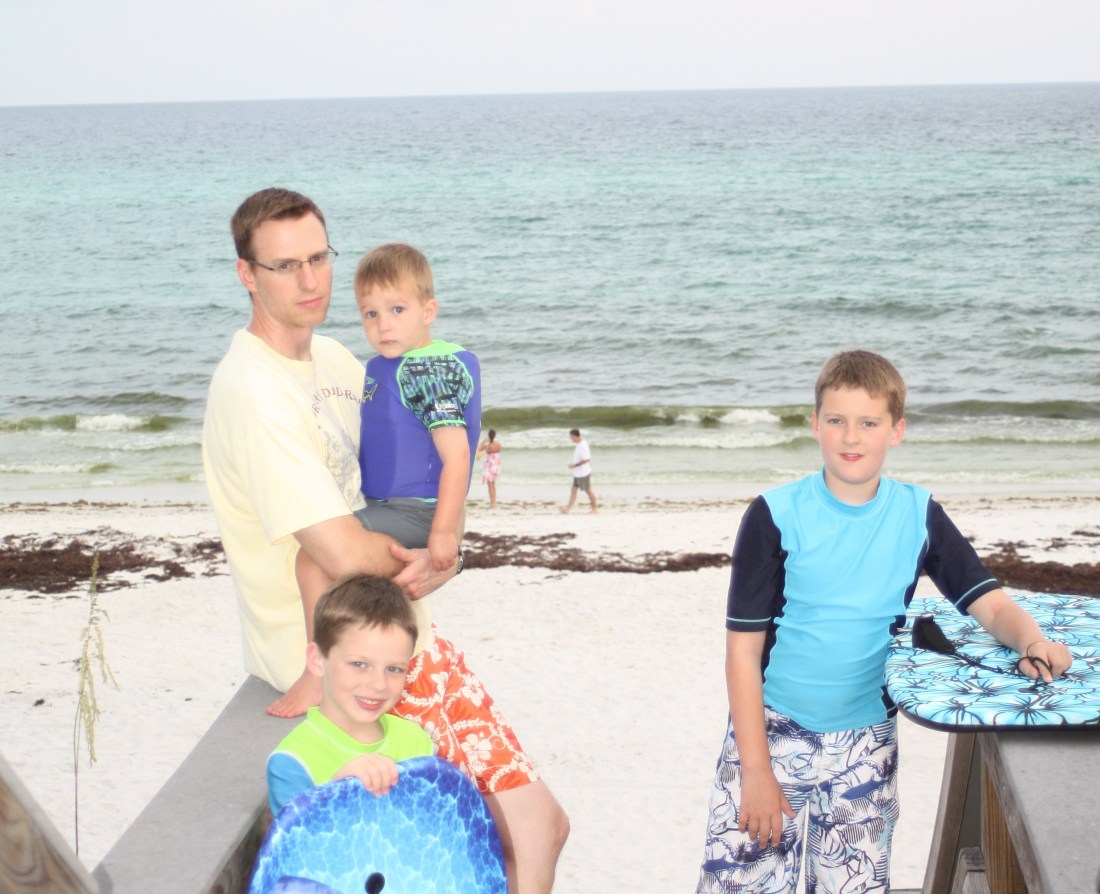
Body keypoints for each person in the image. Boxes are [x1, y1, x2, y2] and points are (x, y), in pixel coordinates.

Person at [203, 188, 568, 892]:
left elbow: (428, 479)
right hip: (354, 664)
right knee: (511, 841)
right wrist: (433, 551)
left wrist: (448, 545)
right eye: (285, 266)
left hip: (408, 638)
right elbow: (338, 554)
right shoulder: (253, 391)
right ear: (247, 275)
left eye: (319, 258)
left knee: (531, 834)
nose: (310, 281)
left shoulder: (344, 362)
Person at [696, 349, 1073, 894]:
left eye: (868, 422)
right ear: (815, 425)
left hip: (866, 741)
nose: (852, 437)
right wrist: (755, 771)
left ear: (896, 431)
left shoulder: (918, 514)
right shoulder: (774, 514)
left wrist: (1033, 640)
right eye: (837, 420)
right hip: (772, 733)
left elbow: (987, 601)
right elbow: (742, 652)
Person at [266, 575, 434, 815]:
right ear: (317, 661)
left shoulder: (417, 742)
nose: (378, 684)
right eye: (359, 664)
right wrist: (337, 791)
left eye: (394, 669)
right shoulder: (293, 761)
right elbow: (295, 847)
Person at [560, 428, 597, 514]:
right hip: (577, 473)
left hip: (583, 473)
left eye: (571, 437)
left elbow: (587, 459)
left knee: (588, 491)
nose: (570, 439)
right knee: (573, 490)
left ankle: (595, 509)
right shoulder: (579, 444)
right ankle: (567, 509)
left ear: (574, 436)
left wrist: (575, 465)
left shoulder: (583, 445)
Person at [478, 429, 502, 508]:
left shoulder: (488, 445)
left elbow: (479, 448)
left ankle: (492, 502)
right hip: (496, 465)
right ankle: (494, 501)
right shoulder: (498, 444)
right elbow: (498, 452)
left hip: (489, 466)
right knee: (493, 484)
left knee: (490, 484)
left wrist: (483, 441)